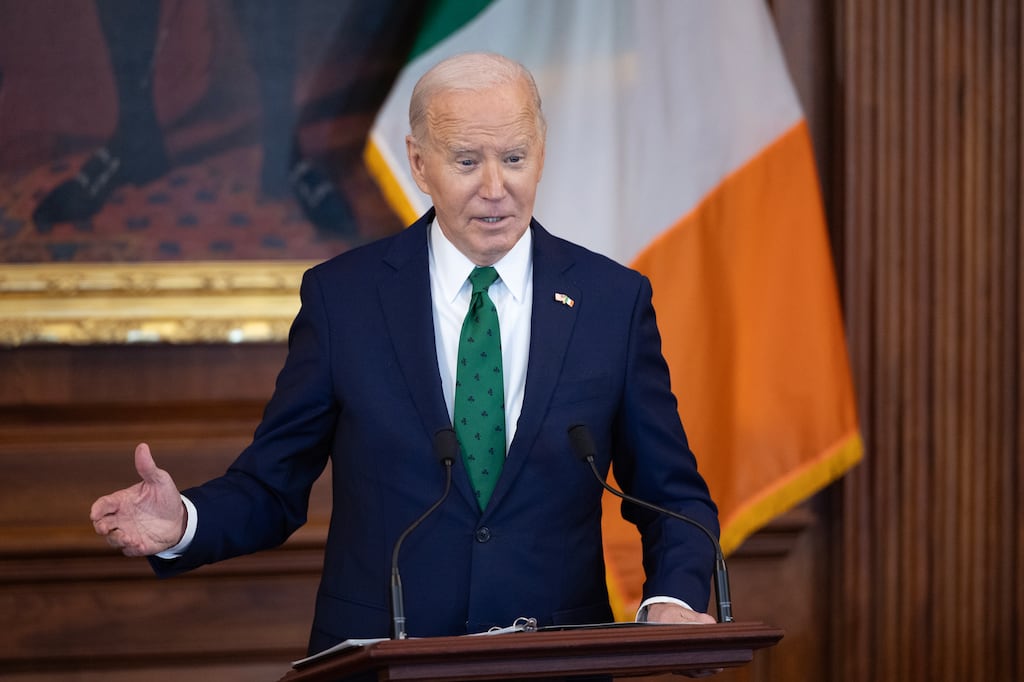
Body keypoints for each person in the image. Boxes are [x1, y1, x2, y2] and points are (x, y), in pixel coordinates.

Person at [90, 52, 720, 657]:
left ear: (542, 154)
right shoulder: (344, 300)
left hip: (553, 661)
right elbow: (272, 487)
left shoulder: (612, 301)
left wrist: (671, 596)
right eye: (467, 161)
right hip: (385, 658)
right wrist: (185, 523)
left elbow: (672, 494)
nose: (495, 188)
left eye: (515, 158)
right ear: (420, 165)